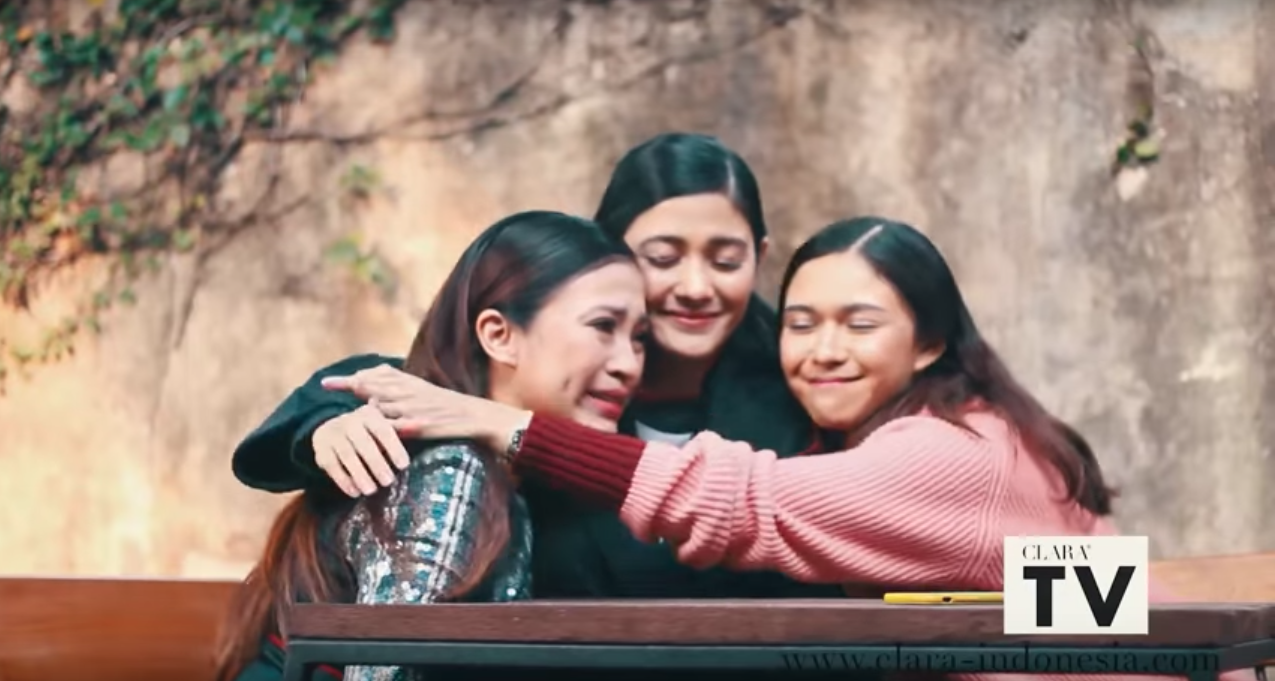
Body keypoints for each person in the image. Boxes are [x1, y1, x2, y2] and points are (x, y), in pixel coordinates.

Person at [323, 216, 1243, 681]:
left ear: (927, 341)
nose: (823, 349)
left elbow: (748, 500)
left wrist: (507, 424)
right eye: (800, 322)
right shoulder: (986, 430)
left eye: (859, 322)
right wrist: (315, 419)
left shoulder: (952, 451)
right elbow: (1096, 585)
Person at [229, 132, 838, 600]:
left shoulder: (794, 395)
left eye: (726, 261)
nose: (696, 287)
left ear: (759, 258)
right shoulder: (563, 380)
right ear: (608, 255)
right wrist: (328, 421)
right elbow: (423, 377)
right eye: (662, 258)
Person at [214, 211, 649, 681]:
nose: (629, 364)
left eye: (640, 338)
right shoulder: (451, 470)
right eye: (603, 326)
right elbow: (386, 672)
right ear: (499, 336)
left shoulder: (514, 476)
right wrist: (320, 426)